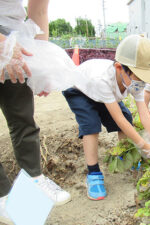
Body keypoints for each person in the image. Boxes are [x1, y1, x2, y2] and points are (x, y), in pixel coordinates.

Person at [62, 34, 150, 201]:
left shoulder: (135, 80)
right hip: (80, 90)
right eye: (140, 77)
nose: (142, 83)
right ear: (120, 68)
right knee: (91, 124)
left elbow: (144, 114)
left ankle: (124, 155)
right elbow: (117, 118)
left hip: (106, 94)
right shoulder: (102, 80)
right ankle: (94, 174)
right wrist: (144, 146)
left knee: (127, 117)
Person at [0, 0, 71, 224]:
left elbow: (38, 9)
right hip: (5, 39)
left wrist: (43, 67)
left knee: (22, 117)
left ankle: (32, 181)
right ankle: (3, 194)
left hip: (15, 35)